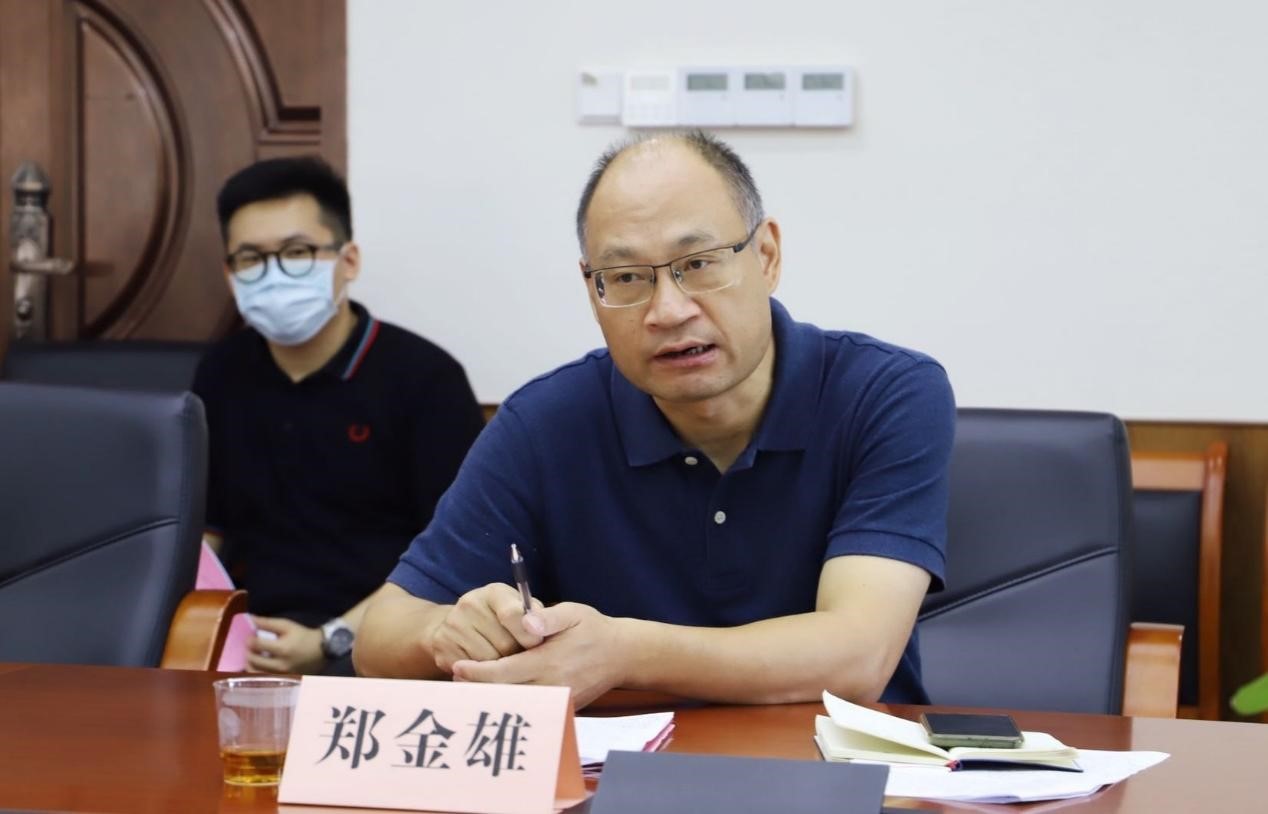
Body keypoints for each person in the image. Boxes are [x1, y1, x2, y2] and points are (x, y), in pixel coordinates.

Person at [355, 132, 955, 707]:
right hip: (617, 767)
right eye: (625, 278)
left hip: (836, 764)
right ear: (591, 290)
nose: (668, 311)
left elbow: (856, 656)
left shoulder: (885, 393)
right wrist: (446, 631)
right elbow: (379, 637)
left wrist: (623, 652)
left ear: (767, 256)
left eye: (699, 263)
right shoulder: (545, 422)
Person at [193, 156, 486, 676]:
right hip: (246, 640)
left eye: (297, 252)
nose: (273, 274)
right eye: (251, 259)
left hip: (382, 644)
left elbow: (452, 554)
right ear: (229, 273)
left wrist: (331, 639)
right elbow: (204, 530)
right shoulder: (221, 373)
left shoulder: (426, 379)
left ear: (347, 261)